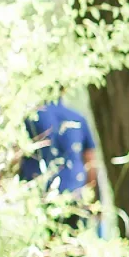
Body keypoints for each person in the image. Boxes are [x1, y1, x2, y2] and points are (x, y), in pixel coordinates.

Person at [20, 95, 98, 228]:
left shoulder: (31, 118)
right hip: (74, 198)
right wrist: (92, 199)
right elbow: (91, 163)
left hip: (37, 197)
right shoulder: (78, 119)